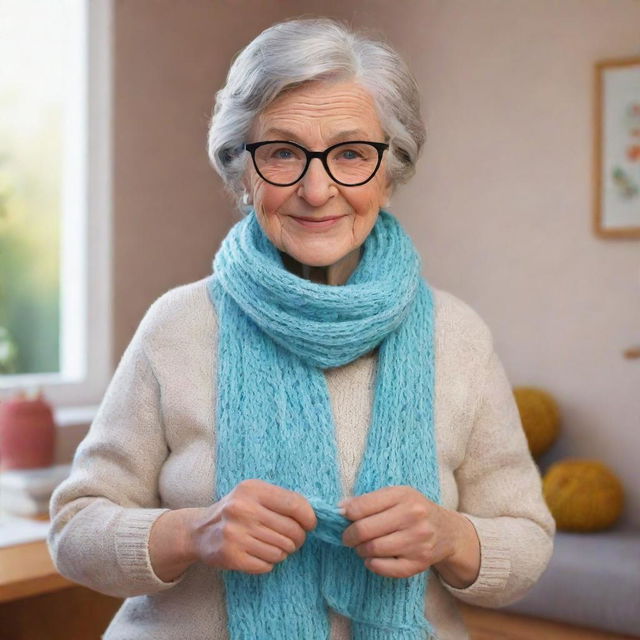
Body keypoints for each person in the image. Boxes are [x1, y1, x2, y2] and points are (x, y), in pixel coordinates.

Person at [48, 17, 555, 640]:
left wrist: (453, 538)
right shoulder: (177, 325)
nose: (318, 190)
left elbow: (527, 540)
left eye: (350, 154)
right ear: (243, 173)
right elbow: (74, 530)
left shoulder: (459, 336)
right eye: (283, 152)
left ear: (390, 172)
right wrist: (190, 532)